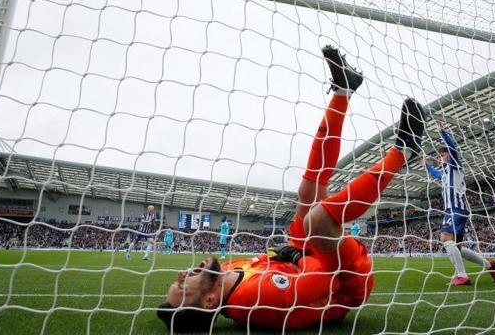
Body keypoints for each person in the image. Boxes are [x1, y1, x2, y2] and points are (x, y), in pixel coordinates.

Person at [157, 45, 426, 332]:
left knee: (308, 190)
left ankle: (343, 89)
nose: (182, 274)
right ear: (210, 301)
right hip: (344, 282)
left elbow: (280, 258)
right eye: (183, 287)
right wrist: (297, 256)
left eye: (177, 280)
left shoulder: (230, 270)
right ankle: (404, 151)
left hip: (306, 256)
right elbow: (323, 277)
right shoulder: (253, 300)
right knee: (318, 218)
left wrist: (293, 253)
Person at [421, 120, 495, 286]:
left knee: (444, 237)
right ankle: (489, 265)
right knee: (458, 247)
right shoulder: (445, 173)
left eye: (442, 155)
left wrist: (442, 132)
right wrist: (427, 166)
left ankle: (462, 275)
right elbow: (437, 174)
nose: (440, 158)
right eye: (439, 156)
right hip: (456, 209)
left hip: (455, 208)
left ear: (448, 155)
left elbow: (453, 148)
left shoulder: (454, 165)